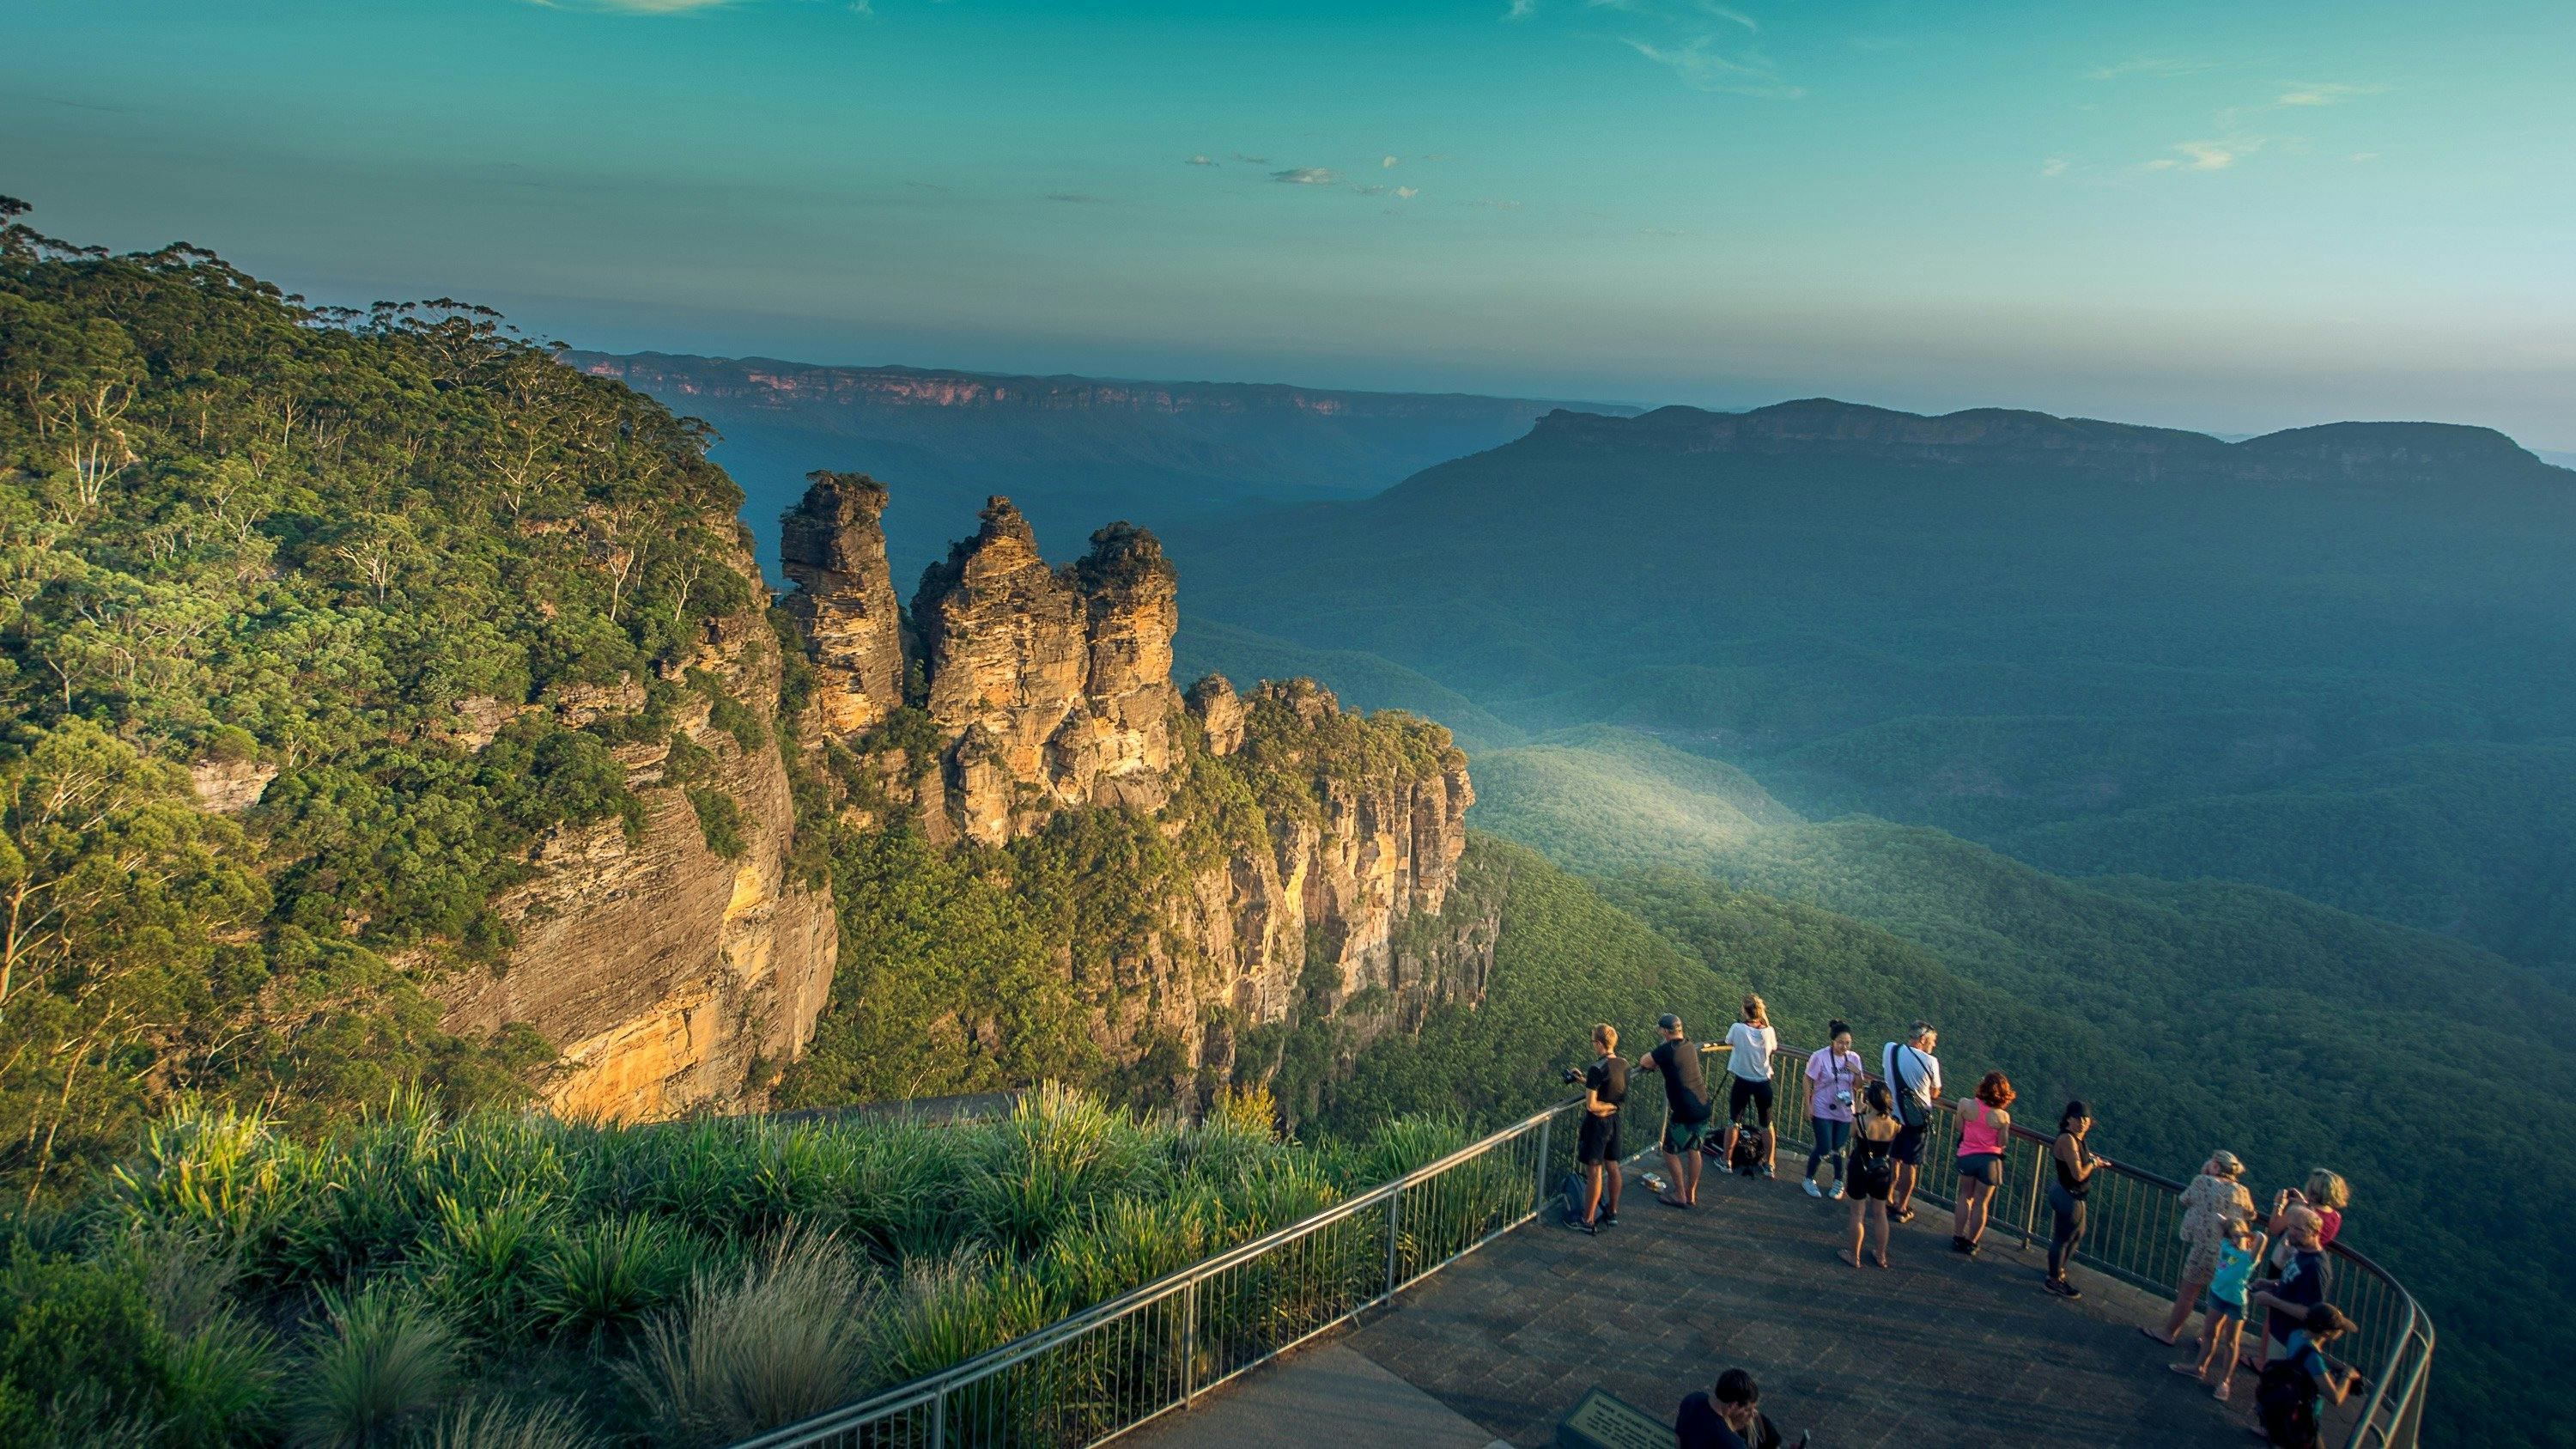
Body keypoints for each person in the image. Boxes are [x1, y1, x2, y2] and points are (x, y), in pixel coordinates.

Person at [2150, 1148, 2257, 1344]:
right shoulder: (2242, 1191)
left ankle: (2169, 1333)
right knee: (2222, 1298)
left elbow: (2184, 1199)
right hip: (2232, 1253)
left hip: (2205, 1249)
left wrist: (2204, 1174)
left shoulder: (2202, 1181)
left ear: (2215, 1165)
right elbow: (2251, 1215)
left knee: (2188, 1294)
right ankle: (2208, 1339)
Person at [2170, 1212, 2267, 1402]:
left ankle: (2225, 1382)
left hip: (2236, 1303)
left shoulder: (2250, 1257)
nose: (2234, 1240)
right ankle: (2199, 1367)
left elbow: (2262, 1238)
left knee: (2231, 1342)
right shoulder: (2224, 1246)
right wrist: (2230, 1226)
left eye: (2237, 1236)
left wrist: (2242, 1234)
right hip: (2217, 1294)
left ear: (2246, 1236)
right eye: (2231, 1236)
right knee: (2209, 1334)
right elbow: (2216, 1217)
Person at [2251, 1303, 2360, 1448]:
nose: (2342, 1331)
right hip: (2303, 1416)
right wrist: (2348, 1375)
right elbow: (2336, 1397)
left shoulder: (2296, 1335)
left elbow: (2304, 1366)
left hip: (2288, 1405)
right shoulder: (2312, 1357)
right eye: (2340, 1329)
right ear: (2328, 1333)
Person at [1636, 1013, 1712, 1208]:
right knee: (1694, 1149)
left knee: (1669, 1150)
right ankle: (1691, 1192)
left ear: (1665, 1032)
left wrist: (1658, 1057)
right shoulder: (1688, 1045)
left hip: (1684, 1112)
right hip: (1703, 1105)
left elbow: (1644, 1061)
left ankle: (1680, 1195)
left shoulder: (1666, 1050)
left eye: (1660, 1030)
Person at [2042, 1099, 2111, 1300]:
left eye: (2085, 1118)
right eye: (2077, 1118)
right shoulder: (2068, 1139)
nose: (2082, 1122)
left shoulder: (2078, 1139)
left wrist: (2094, 1161)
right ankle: (2053, 1280)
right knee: (2062, 1239)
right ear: (2068, 1119)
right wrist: (2093, 1163)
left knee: (2077, 1234)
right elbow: (2078, 1174)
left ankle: (2057, 1271)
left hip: (2070, 1194)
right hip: (2067, 1195)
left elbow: (2081, 1161)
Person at [1564, 1024, 1628, 1234]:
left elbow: (1591, 1105)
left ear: (1599, 1044)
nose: (1593, 1045)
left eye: (1593, 1041)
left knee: (1595, 1172)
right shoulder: (1624, 1064)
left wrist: (1608, 1106)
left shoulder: (1596, 1068)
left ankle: (1588, 1220)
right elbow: (1608, 1087)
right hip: (1615, 1123)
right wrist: (1583, 1079)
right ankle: (1612, 1212)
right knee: (1613, 1167)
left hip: (1599, 1126)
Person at [2251, 1207, 2333, 1369]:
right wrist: (2271, 1283)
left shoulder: (2316, 1267)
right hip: (2279, 1331)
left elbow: (2308, 1313)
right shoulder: (2302, 1252)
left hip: (2289, 1337)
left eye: (2298, 1229)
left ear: (2315, 1232)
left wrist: (2272, 1301)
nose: (2291, 1232)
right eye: (2291, 1227)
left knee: (2275, 1386)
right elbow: (2295, 1283)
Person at [1880, 1020, 1942, 1223]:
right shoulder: (1931, 1062)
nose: (1933, 1046)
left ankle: (1887, 1198)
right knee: (1910, 1164)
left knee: (1893, 1159)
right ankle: (1902, 1206)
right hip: (1917, 1121)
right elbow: (1935, 1092)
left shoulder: (1890, 1049)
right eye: (1932, 1042)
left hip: (1893, 1116)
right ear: (1923, 1040)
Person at [1801, 1020, 1868, 1200]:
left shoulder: (1854, 1058)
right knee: (1824, 1146)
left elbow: (1859, 1087)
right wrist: (1808, 1105)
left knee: (1838, 1147)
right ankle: (1809, 1178)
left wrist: (1857, 1073)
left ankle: (1839, 1181)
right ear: (1833, 1041)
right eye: (1840, 1042)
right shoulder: (1820, 1056)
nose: (1844, 1047)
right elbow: (1807, 1080)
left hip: (1844, 1110)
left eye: (1847, 1043)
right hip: (1823, 1106)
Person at [1949, 1070, 2014, 1255]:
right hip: (1990, 1162)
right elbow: (2002, 1142)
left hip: (1967, 1156)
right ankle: (1972, 1242)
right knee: (1981, 1203)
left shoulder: (1965, 1104)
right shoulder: (2002, 1117)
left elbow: (1959, 1128)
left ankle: (1958, 1236)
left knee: (1964, 1197)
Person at [1840, 1081, 1899, 1269]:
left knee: (1858, 1213)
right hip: (1882, 1170)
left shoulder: (1861, 1121)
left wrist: (1858, 1112)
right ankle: (1881, 1255)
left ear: (1870, 1100)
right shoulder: (1894, 1125)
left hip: (1860, 1166)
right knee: (1880, 1213)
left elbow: (1850, 1135)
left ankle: (1854, 1256)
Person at [1720, 994, 1778, 1178]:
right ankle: (1769, 1164)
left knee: (1734, 1121)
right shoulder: (1769, 1032)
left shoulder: (1738, 1028)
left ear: (1744, 1010)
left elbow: (1728, 1041)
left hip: (1742, 1081)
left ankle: (1726, 1161)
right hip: (1762, 1083)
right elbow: (1774, 1047)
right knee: (1766, 1124)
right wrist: (1764, 1020)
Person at [1675, 1367, 1759, 1449]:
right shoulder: (1733, 1444)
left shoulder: (1692, 1400)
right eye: (1747, 1409)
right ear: (1733, 1405)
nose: (1753, 1413)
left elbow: (1678, 1437)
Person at [2268, 1168, 2351, 1249]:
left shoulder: (2297, 1211)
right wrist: (2305, 1203)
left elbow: (2274, 1228)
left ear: (2312, 1189)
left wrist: (2278, 1204)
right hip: (2312, 1259)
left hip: (2289, 1259)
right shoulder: (2336, 1217)